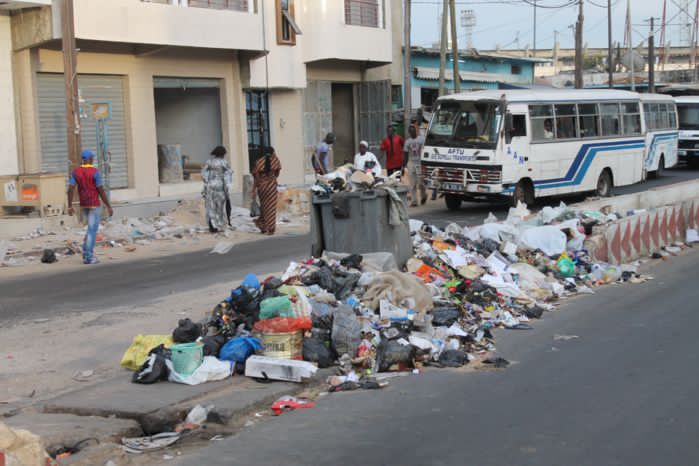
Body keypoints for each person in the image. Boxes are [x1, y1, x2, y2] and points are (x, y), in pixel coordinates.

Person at [67, 149, 113, 265]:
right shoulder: (95, 172)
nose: (93, 159)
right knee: (92, 231)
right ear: (90, 159)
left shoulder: (76, 172)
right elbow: (101, 190)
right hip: (94, 204)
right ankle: (89, 257)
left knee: (90, 229)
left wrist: (69, 205)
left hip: (84, 205)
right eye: (92, 158)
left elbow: (71, 189)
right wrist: (108, 206)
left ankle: (85, 250)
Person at [202, 145, 233, 233]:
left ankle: (212, 226)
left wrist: (207, 182)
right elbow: (228, 174)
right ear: (223, 154)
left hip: (210, 186)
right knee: (219, 207)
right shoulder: (224, 163)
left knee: (210, 207)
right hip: (220, 186)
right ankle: (219, 224)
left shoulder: (209, 162)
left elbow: (203, 173)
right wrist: (227, 188)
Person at [252, 146, 282, 235]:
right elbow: (277, 174)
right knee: (271, 208)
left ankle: (263, 227)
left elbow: (256, 177)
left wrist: (254, 189)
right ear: (273, 152)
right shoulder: (275, 160)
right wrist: (272, 178)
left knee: (264, 208)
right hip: (272, 187)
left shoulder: (259, 162)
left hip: (262, 187)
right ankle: (271, 228)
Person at [404, 125, 427, 206]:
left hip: (420, 162)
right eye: (410, 131)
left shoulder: (421, 139)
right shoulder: (407, 142)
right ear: (409, 132)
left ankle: (424, 195)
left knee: (420, 182)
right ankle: (414, 201)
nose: (412, 132)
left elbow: (426, 149)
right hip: (411, 162)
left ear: (416, 131)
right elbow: (405, 154)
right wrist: (404, 165)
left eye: (413, 130)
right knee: (412, 183)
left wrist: (425, 162)